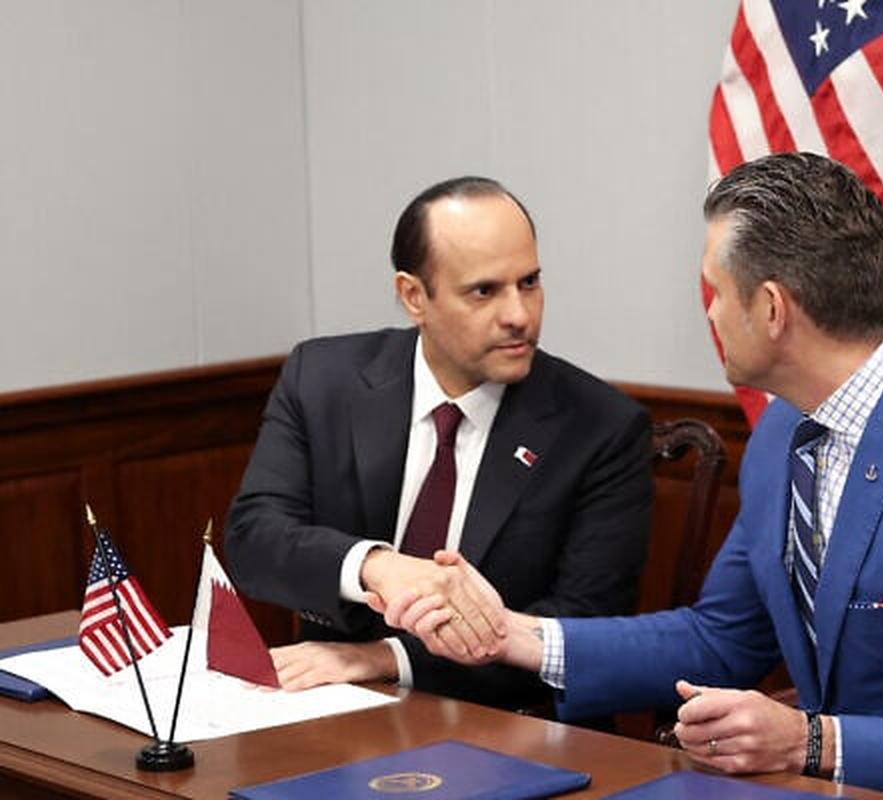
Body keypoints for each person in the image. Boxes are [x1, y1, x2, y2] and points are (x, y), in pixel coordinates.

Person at [385, 154, 883, 798]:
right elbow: (721, 639)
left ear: (773, 309)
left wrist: (811, 740)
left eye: (716, 291)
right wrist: (513, 635)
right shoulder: (787, 430)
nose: (712, 311)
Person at [224, 176, 653, 710]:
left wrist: (383, 658)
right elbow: (253, 539)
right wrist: (377, 566)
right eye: (484, 291)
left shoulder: (601, 427)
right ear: (413, 296)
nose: (519, 314)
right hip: (328, 713)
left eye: (529, 282)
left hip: (506, 726)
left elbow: (580, 626)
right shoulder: (323, 379)